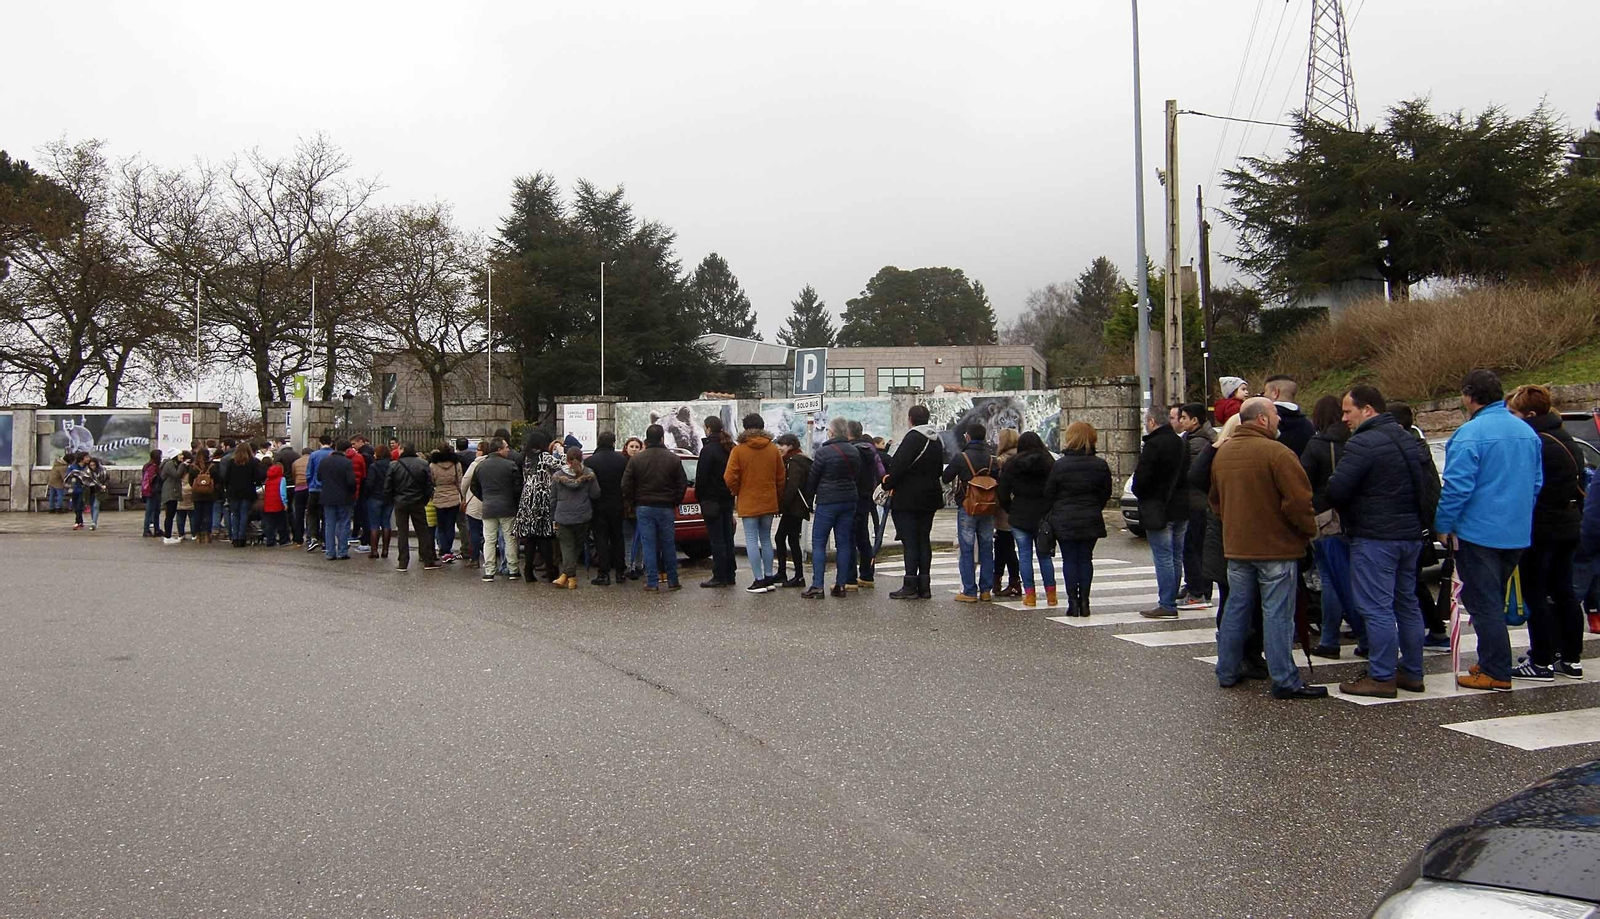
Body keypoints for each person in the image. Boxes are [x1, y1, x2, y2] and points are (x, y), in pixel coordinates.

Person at [1210, 398, 1325, 700]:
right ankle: (1285, 678)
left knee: (1237, 608)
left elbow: (1215, 500)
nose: (1278, 421)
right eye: (1275, 415)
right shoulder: (1278, 453)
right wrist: (1306, 532)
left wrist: (1233, 523)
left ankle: (1226, 669)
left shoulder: (1223, 455)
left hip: (1237, 545)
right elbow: (1299, 502)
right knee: (1277, 613)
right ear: (1261, 419)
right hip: (1276, 546)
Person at [1436, 370, 1542, 691]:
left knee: (1484, 604)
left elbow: (1456, 487)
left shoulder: (1470, 434)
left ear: (1469, 397)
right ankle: (1489, 660)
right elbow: (1536, 483)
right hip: (1516, 530)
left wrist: (1443, 525)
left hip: (1478, 532)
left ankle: (1496, 669)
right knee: (1492, 599)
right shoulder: (1526, 432)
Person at [1326, 385, 1429, 698]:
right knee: (1406, 603)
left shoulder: (1362, 443)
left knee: (1376, 607)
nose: (1344, 418)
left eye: (1348, 411)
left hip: (1375, 536)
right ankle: (1411, 670)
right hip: (1409, 534)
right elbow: (1426, 485)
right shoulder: (1408, 439)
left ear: (1367, 409)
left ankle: (1381, 675)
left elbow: (1337, 489)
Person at [1506, 384, 1585, 681]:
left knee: (1536, 592)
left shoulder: (1535, 441)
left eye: (1513, 412)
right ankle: (1571, 657)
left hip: (1542, 526)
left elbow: (1528, 486)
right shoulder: (1564, 436)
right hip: (1568, 523)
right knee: (1564, 592)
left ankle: (1541, 659)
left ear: (1529, 414)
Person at [1301, 394, 1362, 660]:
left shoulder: (1316, 445)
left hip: (1324, 517)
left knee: (1329, 579)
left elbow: (1303, 481)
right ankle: (1363, 632)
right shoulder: (1356, 441)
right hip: (1354, 516)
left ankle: (1329, 639)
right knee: (1356, 578)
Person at [1390, 402, 1449, 649]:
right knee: (1412, 581)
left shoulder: (1407, 450)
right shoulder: (1419, 446)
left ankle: (1435, 631)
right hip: (1421, 522)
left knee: (1410, 582)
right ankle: (1436, 630)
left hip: (1412, 524)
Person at [1044, 422, 1113, 617]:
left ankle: (1072, 602)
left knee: (1069, 560)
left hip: (1064, 518)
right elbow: (1106, 492)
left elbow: (1049, 493)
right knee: (1085, 559)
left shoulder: (1060, 465)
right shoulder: (1100, 465)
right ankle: (1085, 601)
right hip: (1090, 516)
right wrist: (1094, 506)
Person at [1134, 406, 1190, 619]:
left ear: (1151, 422)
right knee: (1176, 555)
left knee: (1163, 556)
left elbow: (1142, 479)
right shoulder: (1181, 442)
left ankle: (1166, 603)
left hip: (1158, 507)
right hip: (1180, 506)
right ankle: (1171, 597)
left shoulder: (1153, 445)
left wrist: (1142, 494)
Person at [884, 405, 945, 600]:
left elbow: (898, 465)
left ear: (910, 419)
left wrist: (887, 483)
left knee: (910, 542)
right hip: (930, 497)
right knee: (923, 540)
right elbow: (938, 470)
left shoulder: (912, 438)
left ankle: (910, 584)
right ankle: (925, 586)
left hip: (908, 498)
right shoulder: (936, 439)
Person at [621, 424, 688, 591]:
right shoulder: (673, 458)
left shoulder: (637, 459)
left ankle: (652, 582)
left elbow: (626, 484)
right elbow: (682, 483)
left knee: (648, 544)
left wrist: (634, 501)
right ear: (662, 438)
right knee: (668, 544)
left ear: (646, 439)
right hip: (666, 506)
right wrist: (675, 501)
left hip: (644, 506)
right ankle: (673, 580)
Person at [725, 413, 786, 593]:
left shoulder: (738, 450)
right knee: (766, 539)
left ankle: (758, 579)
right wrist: (776, 495)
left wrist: (737, 491)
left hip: (748, 500)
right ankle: (769, 577)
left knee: (751, 539)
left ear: (745, 428)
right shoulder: (773, 449)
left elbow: (729, 477)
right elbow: (781, 477)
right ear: (762, 426)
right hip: (769, 500)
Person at [999, 431, 1058, 608]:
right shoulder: (1049, 462)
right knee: (1044, 556)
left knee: (1024, 556)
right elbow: (1055, 489)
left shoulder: (1012, 464)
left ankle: (1030, 595)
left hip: (1019, 514)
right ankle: (1051, 595)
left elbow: (1002, 492)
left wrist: (1010, 509)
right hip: (1043, 515)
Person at [805, 417, 862, 600]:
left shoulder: (823, 452)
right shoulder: (854, 451)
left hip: (827, 501)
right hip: (849, 500)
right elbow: (857, 475)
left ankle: (817, 586)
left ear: (831, 432)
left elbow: (813, 478)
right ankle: (841, 585)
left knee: (819, 542)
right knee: (844, 543)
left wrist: (808, 499)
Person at [943, 421, 996, 603]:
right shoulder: (992, 459)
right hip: (988, 507)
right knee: (987, 547)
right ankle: (986, 590)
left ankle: (969, 591)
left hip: (967, 506)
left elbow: (946, 477)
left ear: (968, 437)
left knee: (967, 549)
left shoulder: (961, 457)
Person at [1177, 403, 1216, 609]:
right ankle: (1196, 587)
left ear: (1195, 421)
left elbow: (1189, 474)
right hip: (1197, 501)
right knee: (1195, 547)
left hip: (1196, 502)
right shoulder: (1194, 439)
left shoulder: (1198, 443)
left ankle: (1198, 591)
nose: (1181, 421)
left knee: (1193, 548)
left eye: (1184, 417)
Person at [471, 438, 524, 581]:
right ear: (499, 449)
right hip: (507, 507)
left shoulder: (481, 466)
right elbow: (518, 487)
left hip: (488, 507)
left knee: (489, 540)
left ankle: (489, 571)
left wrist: (485, 498)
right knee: (510, 539)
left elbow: (474, 487)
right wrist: (512, 500)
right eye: (506, 447)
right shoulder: (511, 465)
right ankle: (513, 569)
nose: (508, 449)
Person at [514, 430, 563, 583]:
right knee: (545, 536)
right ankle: (551, 570)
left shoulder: (526, 457)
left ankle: (528, 570)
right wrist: (561, 452)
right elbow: (563, 465)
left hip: (527, 497)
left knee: (530, 537)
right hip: (542, 496)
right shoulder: (544, 456)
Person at [695, 416, 738, 588]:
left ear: (708, 428)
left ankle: (719, 575)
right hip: (727, 498)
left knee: (717, 539)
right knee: (728, 537)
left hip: (712, 500)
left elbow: (702, 478)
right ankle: (730, 573)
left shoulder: (708, 450)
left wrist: (701, 498)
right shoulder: (729, 447)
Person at [551, 446, 601, 589]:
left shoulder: (558, 475)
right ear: (581, 458)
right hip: (582, 515)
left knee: (566, 547)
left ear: (566, 459)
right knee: (577, 547)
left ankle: (567, 576)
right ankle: (570, 577)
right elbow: (595, 494)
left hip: (562, 515)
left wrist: (552, 517)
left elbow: (553, 498)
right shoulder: (589, 474)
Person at [585, 432, 630, 586]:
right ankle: (620, 572)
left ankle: (603, 573)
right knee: (618, 537)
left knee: (600, 539)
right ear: (613, 442)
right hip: (617, 504)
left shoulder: (591, 461)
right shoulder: (622, 460)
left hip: (598, 505)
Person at [383, 443, 437, 570]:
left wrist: (392, 499)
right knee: (422, 531)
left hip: (400, 501)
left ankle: (403, 561)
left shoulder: (394, 465)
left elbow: (388, 486)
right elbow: (428, 485)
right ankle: (427, 559)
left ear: (402, 450)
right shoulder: (423, 464)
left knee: (402, 532)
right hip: (417, 501)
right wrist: (424, 499)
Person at [845, 420, 885, 590]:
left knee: (848, 537)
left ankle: (850, 578)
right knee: (863, 536)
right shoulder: (870, 450)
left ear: (848, 433)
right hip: (866, 497)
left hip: (851, 496)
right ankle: (867, 575)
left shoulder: (849, 451)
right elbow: (881, 473)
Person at [774, 433, 813, 588]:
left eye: (782, 445)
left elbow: (792, 486)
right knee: (786, 538)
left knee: (786, 539)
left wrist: (781, 505)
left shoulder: (794, 462)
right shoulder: (799, 459)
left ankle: (797, 576)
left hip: (794, 507)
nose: (779, 448)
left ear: (790, 446)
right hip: (796, 507)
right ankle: (787, 573)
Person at [991, 427, 1022, 597]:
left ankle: (1013, 581)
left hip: (1005, 509)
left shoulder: (1003, 460)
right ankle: (999, 580)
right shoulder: (1020, 456)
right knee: (1002, 544)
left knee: (1006, 545)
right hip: (1018, 507)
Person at [1263, 375, 1315, 457]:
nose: (1264, 395)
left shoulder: (1264, 421)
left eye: (1265, 391)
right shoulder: (1309, 425)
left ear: (1275, 393)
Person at [223, 442, 263, 548]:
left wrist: (228, 489)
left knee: (234, 515)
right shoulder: (253, 462)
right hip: (247, 492)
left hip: (233, 492)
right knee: (244, 514)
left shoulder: (232, 462)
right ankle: (242, 538)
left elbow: (226, 478)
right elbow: (258, 478)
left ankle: (235, 538)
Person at [429, 444, 463, 563]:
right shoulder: (456, 464)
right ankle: (448, 549)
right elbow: (460, 481)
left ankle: (443, 549)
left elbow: (431, 481)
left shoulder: (433, 465)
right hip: (453, 496)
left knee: (441, 525)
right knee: (450, 525)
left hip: (439, 496)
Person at [620, 436, 646, 579]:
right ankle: (629, 565)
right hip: (626, 507)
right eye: (632, 447)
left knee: (641, 537)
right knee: (629, 537)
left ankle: (639, 565)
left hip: (640, 505)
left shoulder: (642, 463)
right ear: (626, 447)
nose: (634, 449)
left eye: (637, 447)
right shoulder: (622, 463)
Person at [303, 434, 334, 552]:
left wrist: (311, 484)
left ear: (320, 443)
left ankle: (313, 537)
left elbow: (309, 473)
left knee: (311, 514)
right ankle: (326, 540)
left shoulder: (314, 455)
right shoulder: (332, 454)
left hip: (314, 489)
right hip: (327, 490)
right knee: (326, 515)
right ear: (331, 443)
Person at [364, 445, 393, 560]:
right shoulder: (392, 465)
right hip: (389, 497)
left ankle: (374, 550)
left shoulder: (374, 466)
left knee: (374, 524)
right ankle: (385, 550)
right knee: (386, 523)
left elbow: (370, 483)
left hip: (375, 497)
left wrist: (367, 494)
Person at [159, 450, 189, 544]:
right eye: (180, 455)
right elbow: (176, 475)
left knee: (171, 515)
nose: (182, 456)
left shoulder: (173, 463)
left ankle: (168, 536)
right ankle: (167, 536)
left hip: (173, 491)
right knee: (169, 515)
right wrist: (183, 465)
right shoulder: (169, 464)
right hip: (170, 492)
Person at [262, 458, 290, 546]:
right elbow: (282, 493)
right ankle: (284, 540)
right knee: (282, 523)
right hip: (278, 504)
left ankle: (270, 540)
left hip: (268, 504)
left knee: (270, 524)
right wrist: (285, 503)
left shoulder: (267, 480)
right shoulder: (282, 479)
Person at [82, 456, 111, 531]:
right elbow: (84, 480)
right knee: (91, 507)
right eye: (91, 465)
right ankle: (93, 521)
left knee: (96, 506)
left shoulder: (103, 470)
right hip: (90, 490)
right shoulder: (87, 471)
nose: (92, 467)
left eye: (94, 465)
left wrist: (105, 485)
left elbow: (107, 479)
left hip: (99, 490)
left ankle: (94, 522)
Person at [140, 450, 163, 537]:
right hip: (152, 492)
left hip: (151, 491)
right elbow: (152, 480)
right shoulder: (153, 467)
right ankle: (147, 530)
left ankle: (156, 529)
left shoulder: (148, 466)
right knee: (150, 512)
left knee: (155, 511)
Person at [63, 452, 87, 530]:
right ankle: (80, 521)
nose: (88, 459)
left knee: (79, 506)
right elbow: (67, 477)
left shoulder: (87, 468)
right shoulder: (73, 467)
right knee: (76, 506)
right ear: (82, 458)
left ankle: (77, 522)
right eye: (86, 457)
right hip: (74, 489)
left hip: (83, 489)